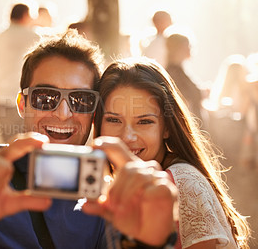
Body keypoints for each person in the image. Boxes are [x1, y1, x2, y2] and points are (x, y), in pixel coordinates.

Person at [0, 30, 178, 248]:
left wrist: (150, 241)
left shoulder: (104, 203)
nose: (63, 113)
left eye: (80, 100)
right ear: (22, 104)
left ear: (94, 113)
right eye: (46, 97)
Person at [94, 57, 250, 248]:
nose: (127, 137)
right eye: (113, 120)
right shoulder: (106, 183)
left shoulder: (183, 181)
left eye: (144, 122)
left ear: (166, 127)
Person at [0, 1, 40, 142]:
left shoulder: (0, 35)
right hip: (21, 95)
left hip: (0, 95)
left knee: (7, 140)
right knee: (24, 139)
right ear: (26, 15)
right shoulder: (32, 36)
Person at [165, 32, 203, 121]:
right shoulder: (173, 73)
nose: (190, 49)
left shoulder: (180, 71)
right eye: (187, 46)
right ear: (178, 48)